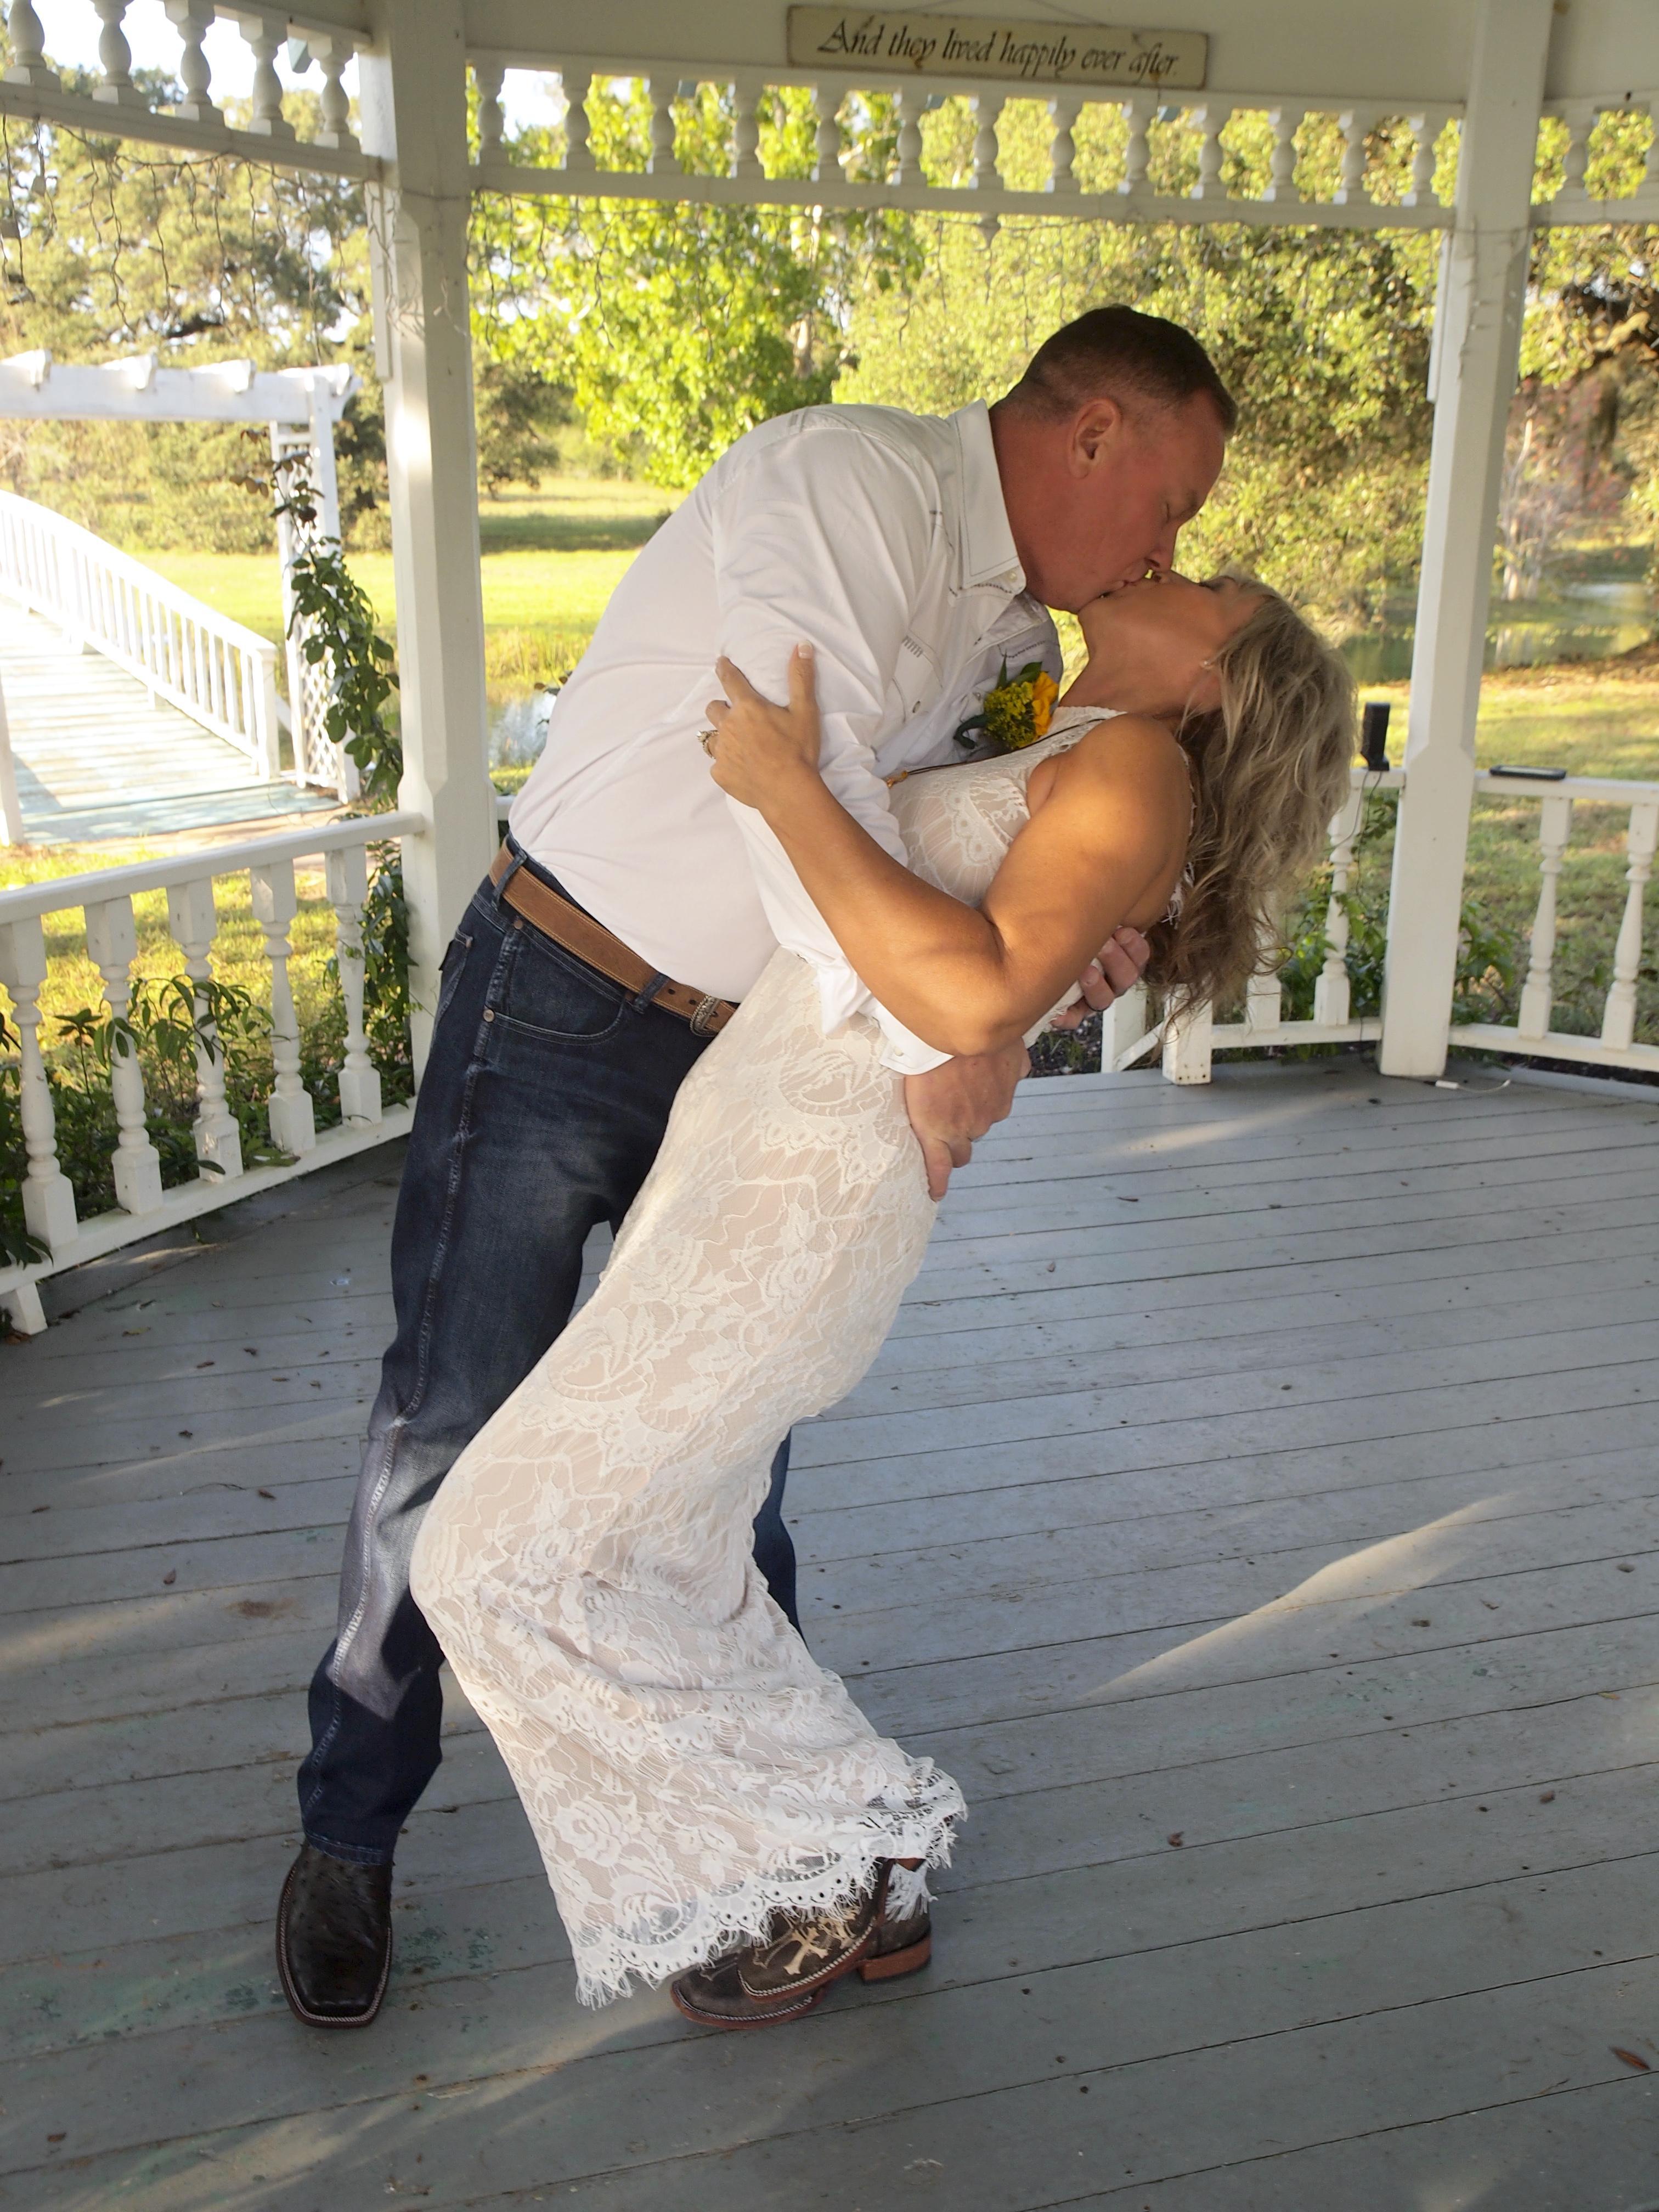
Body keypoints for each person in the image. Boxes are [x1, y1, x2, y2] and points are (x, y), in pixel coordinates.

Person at [278, 305, 1228, 2031]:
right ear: (1096, 430)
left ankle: (786, 1862)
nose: (1171, 547)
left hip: (766, 1064)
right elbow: (800, 789)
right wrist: (940, 1033)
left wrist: (1039, 968)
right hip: (567, 993)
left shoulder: (1029, 640)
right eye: (1176, 501)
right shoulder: (846, 481)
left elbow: (936, 860)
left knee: (720, 1477)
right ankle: (352, 1835)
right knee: (451, 1425)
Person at [409, 568, 1355, 2026]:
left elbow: (970, 990)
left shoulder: (1137, 763)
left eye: (1214, 584)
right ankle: (862, 1864)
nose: (1179, 560)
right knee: (677, 1550)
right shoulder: (1069, 740)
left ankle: (835, 1850)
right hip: (746, 1152)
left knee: (481, 1554)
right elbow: (971, 962)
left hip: (805, 1194)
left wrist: (790, 788)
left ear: (1218, 680)